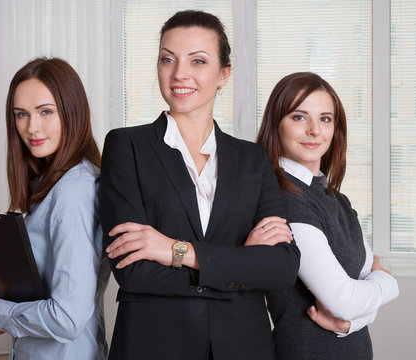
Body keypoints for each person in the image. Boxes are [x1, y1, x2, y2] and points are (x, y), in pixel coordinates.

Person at [99, 10, 300, 360]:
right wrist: (242, 262)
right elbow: (133, 271)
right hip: (154, 344)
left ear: (224, 75)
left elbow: (282, 266)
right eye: (168, 59)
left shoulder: (252, 159)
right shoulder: (126, 146)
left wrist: (177, 251)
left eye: (198, 61)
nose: (180, 74)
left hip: (242, 346)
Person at [0, 57, 110, 360]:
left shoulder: (73, 191)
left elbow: (68, 318)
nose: (32, 127)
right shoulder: (50, 184)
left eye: (46, 111)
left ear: (73, 112)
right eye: (21, 114)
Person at [257, 72, 399, 360]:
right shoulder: (286, 201)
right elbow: (345, 300)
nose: (315, 131)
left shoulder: (335, 199)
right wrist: (388, 284)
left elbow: (354, 295)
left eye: (325, 119)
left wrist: (351, 323)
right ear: (277, 125)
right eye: (299, 117)